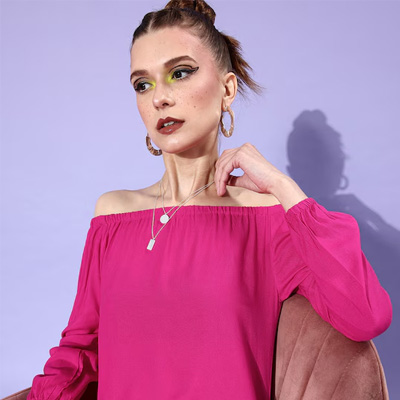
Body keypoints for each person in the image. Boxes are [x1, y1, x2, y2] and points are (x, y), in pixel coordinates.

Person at [27, 0, 392, 399]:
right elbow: (79, 353)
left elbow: (365, 316)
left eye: (180, 73)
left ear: (227, 89)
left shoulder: (266, 219)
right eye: (143, 84)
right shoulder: (113, 214)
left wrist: (283, 187)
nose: (159, 98)